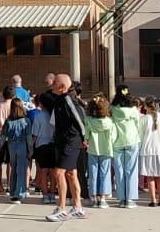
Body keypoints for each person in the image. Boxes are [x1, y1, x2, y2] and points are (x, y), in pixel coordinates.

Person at [44, 74, 88, 223]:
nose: (52, 84)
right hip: (64, 141)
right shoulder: (59, 100)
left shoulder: (68, 99)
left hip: (71, 141)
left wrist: (84, 137)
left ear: (62, 87)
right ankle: (78, 207)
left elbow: (79, 117)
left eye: (55, 82)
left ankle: (61, 209)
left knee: (58, 172)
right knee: (71, 174)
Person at [83, 97, 117, 209]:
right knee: (105, 174)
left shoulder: (89, 120)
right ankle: (102, 198)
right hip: (106, 150)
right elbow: (113, 137)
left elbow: (86, 135)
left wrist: (87, 140)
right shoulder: (110, 121)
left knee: (93, 174)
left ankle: (94, 197)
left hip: (92, 149)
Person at [110, 92, 142, 209]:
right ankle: (130, 198)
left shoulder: (112, 109)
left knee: (119, 171)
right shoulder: (133, 110)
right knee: (131, 170)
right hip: (132, 140)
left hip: (117, 141)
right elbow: (138, 125)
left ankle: (122, 198)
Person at [136, 98, 160, 209]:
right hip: (159, 150)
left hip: (147, 150)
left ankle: (153, 199)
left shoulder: (144, 119)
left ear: (147, 106)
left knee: (150, 177)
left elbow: (139, 135)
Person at [1, 98, 31, 203]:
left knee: (13, 168)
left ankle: (13, 191)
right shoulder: (26, 121)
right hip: (22, 145)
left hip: (11, 145)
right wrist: (30, 150)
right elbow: (29, 138)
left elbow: (3, 136)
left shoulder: (8, 121)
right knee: (21, 169)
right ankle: (19, 193)